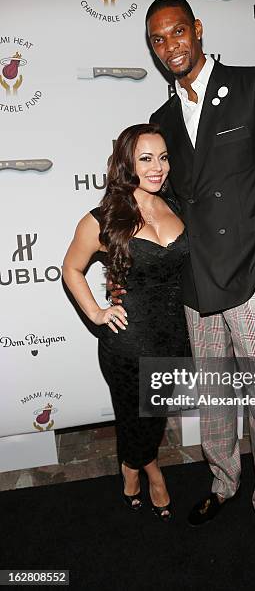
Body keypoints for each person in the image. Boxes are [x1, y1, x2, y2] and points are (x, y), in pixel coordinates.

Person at [113, 0, 255, 572]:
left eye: (177, 32)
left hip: (252, 281)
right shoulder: (164, 122)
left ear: (197, 30)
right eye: (157, 40)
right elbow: (158, 207)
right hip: (197, 289)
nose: (170, 45)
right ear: (152, 50)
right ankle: (224, 484)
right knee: (218, 406)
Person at [63, 123, 189, 522]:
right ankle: (146, 472)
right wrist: (98, 312)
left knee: (154, 416)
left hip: (175, 337)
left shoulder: (180, 206)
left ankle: (135, 466)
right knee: (134, 417)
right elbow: (71, 268)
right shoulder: (103, 219)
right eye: (146, 159)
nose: (158, 168)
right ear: (126, 164)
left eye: (164, 157)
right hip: (127, 342)